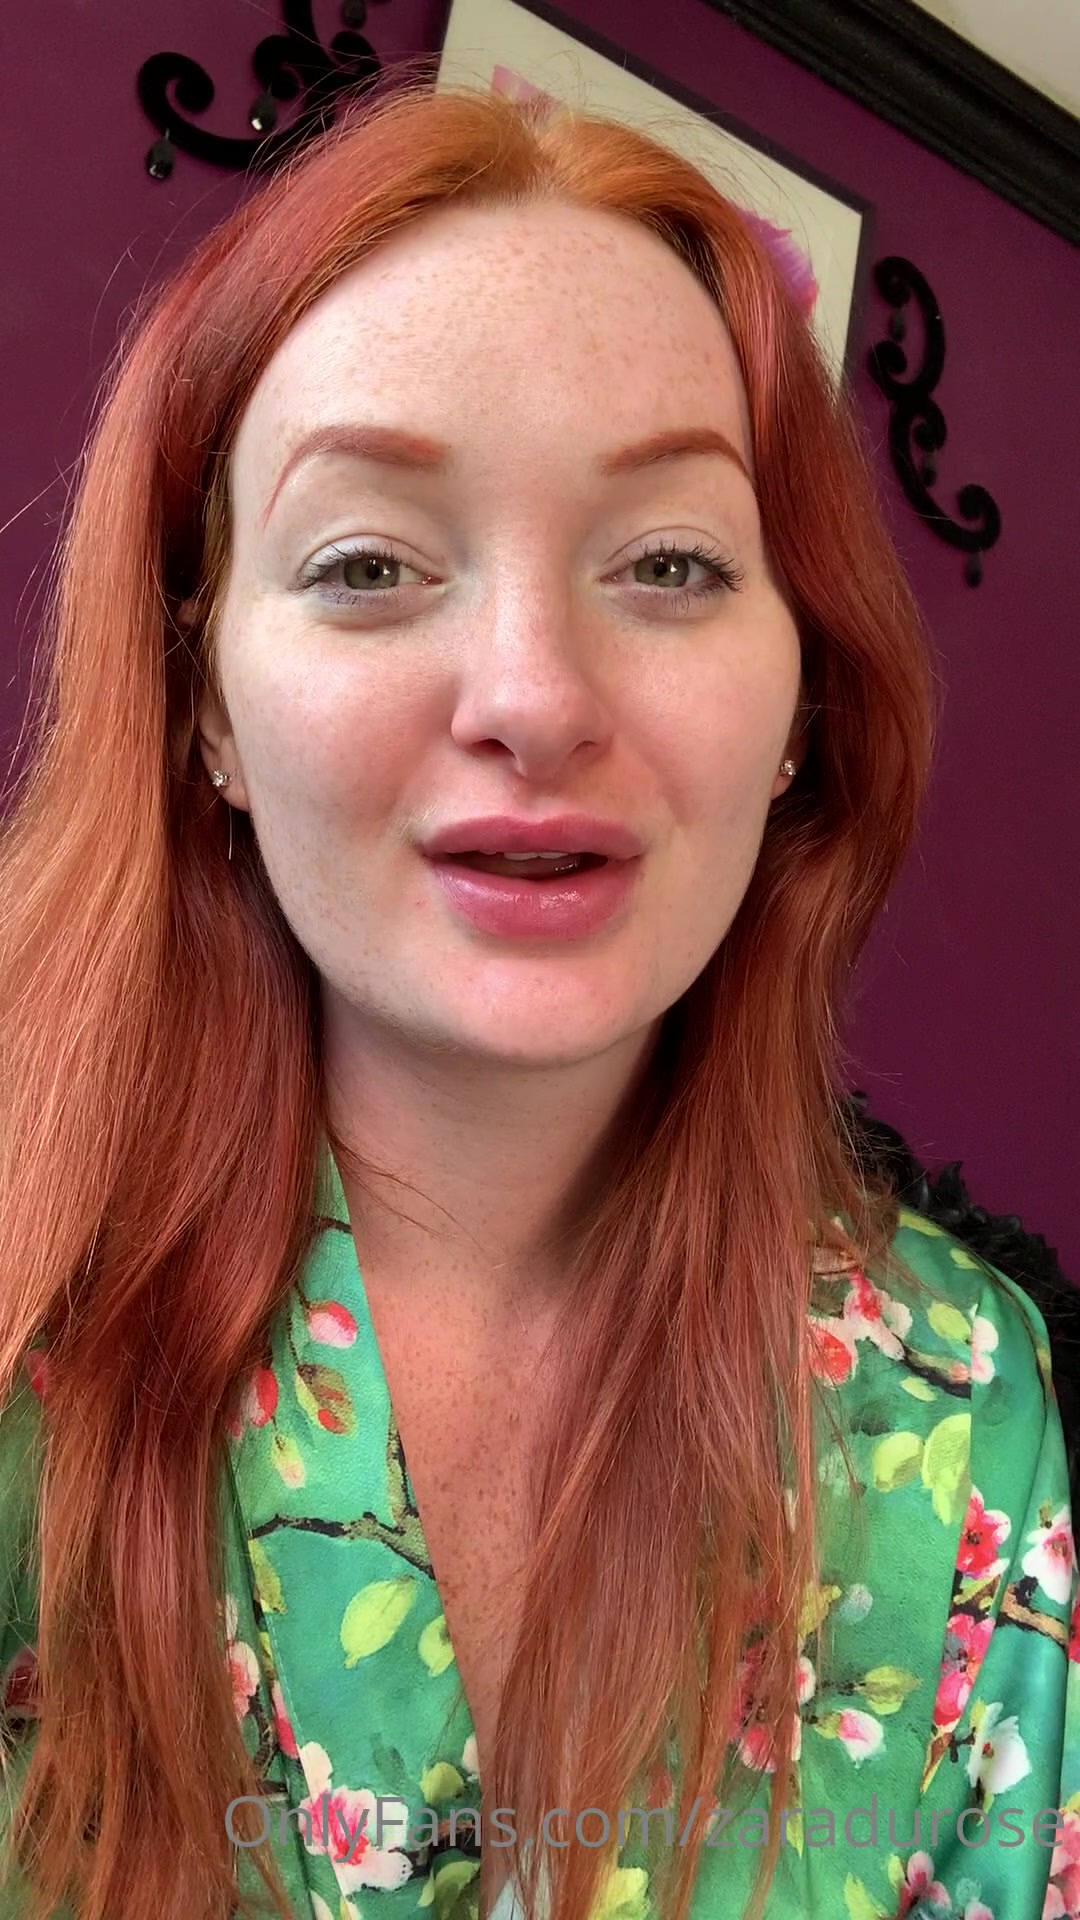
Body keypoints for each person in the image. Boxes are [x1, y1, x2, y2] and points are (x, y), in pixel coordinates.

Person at [0, 68, 1074, 1920]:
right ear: (206, 709)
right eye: (366, 563)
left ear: (803, 705)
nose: (535, 697)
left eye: (669, 562)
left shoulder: (971, 1408)